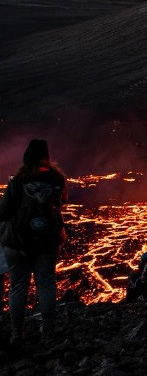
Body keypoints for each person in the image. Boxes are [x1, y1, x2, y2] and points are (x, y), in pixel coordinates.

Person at [0, 139, 68, 342]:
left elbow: (3, 212)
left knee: (18, 287)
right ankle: (47, 333)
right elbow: (62, 202)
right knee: (46, 285)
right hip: (47, 242)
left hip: (18, 243)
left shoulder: (17, 181)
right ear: (46, 156)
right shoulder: (57, 179)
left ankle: (16, 334)